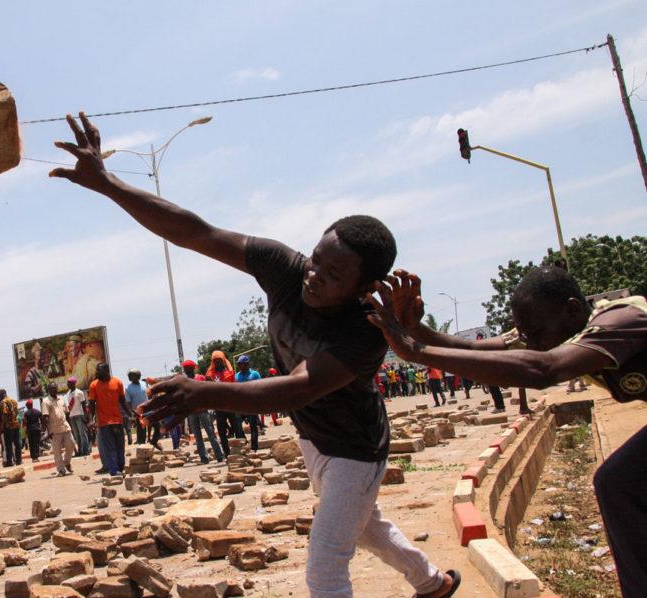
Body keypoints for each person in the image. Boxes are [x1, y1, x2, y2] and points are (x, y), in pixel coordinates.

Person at [52, 113, 459, 598]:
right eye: (316, 260)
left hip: (356, 451)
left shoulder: (365, 330)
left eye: (331, 277)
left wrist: (205, 393)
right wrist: (108, 184)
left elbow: (301, 387)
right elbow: (194, 232)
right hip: (316, 442)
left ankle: (429, 582)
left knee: (326, 565)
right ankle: (433, 583)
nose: (313, 276)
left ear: (362, 288)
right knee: (366, 527)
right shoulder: (283, 267)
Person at [367, 266, 645, 597]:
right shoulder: (549, 330)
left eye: (536, 333)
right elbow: (476, 350)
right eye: (525, 335)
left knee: (617, 482)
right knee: (617, 482)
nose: (530, 343)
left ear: (572, 310)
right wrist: (415, 330)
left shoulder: (621, 322)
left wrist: (414, 351)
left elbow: (544, 369)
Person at [88, 362, 130, 476]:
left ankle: (120, 468)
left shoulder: (118, 382)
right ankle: (113, 470)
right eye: (97, 371)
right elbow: (91, 404)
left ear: (106, 371)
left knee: (120, 446)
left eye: (99, 371)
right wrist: (91, 419)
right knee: (110, 447)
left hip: (118, 420)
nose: (97, 373)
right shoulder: (93, 385)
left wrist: (130, 413)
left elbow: (123, 401)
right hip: (104, 422)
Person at [182, 360, 224, 464]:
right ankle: (204, 458)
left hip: (202, 410)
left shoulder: (200, 378)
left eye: (189, 368)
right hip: (191, 412)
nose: (187, 370)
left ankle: (219, 456)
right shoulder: (183, 381)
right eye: (186, 368)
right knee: (197, 436)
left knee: (211, 434)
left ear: (193, 368)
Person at [205, 350, 242, 456]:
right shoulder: (209, 375)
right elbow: (207, 391)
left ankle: (241, 450)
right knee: (221, 431)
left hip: (230, 405)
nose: (217, 362)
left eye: (219, 360)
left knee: (237, 428)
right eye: (215, 360)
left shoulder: (229, 372)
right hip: (218, 407)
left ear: (223, 360)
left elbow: (234, 388)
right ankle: (227, 453)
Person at [42, 382, 76, 476]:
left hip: (65, 426)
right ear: (48, 390)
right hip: (54, 430)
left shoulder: (61, 399)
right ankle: (61, 470)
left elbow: (67, 413)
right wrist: (48, 431)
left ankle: (67, 462)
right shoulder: (46, 401)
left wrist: (71, 426)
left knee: (71, 444)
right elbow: (45, 417)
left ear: (57, 389)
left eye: (55, 388)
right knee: (57, 451)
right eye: (51, 388)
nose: (53, 389)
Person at [234, 355, 262, 451]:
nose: (240, 366)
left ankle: (254, 447)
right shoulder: (236, 376)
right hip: (240, 406)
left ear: (247, 364)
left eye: (241, 364)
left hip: (252, 405)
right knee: (237, 425)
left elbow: (261, 388)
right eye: (239, 364)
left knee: (253, 427)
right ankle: (245, 443)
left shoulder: (254, 374)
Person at [0, 389, 23, 466]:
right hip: (16, 425)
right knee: (17, 443)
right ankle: (19, 460)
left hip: (8, 426)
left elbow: (4, 414)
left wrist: (2, 424)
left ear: (1, 395)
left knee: (8, 445)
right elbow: (17, 412)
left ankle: (9, 462)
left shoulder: (3, 402)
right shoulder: (14, 401)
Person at [64, 379, 90, 457]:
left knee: (82, 433)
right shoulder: (68, 393)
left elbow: (83, 404)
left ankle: (86, 450)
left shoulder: (79, 392)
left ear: (73, 384)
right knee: (76, 434)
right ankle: (80, 450)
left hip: (79, 415)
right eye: (67, 383)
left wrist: (85, 415)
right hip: (72, 416)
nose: (68, 385)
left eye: (69, 383)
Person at [125, 370, 148, 445]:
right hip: (136, 411)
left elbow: (148, 395)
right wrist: (132, 413)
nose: (129, 377)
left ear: (137, 376)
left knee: (145, 426)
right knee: (141, 426)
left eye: (130, 375)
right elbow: (128, 402)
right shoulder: (128, 388)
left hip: (147, 408)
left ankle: (143, 440)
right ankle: (141, 441)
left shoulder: (144, 384)